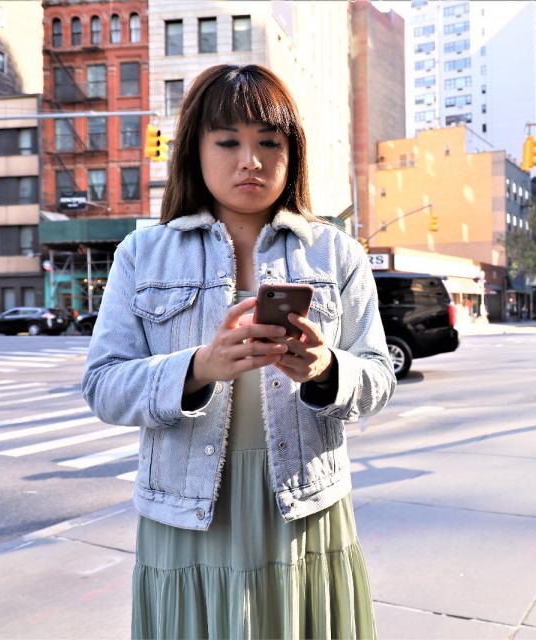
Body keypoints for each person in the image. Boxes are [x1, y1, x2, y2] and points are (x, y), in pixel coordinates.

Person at [81, 65, 395, 639]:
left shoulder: (336, 254)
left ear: (291, 153)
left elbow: (378, 377)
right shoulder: (142, 253)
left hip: (304, 507)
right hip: (189, 508)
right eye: (228, 141)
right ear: (195, 151)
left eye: (268, 143)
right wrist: (200, 368)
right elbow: (103, 385)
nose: (249, 160)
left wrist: (327, 371)